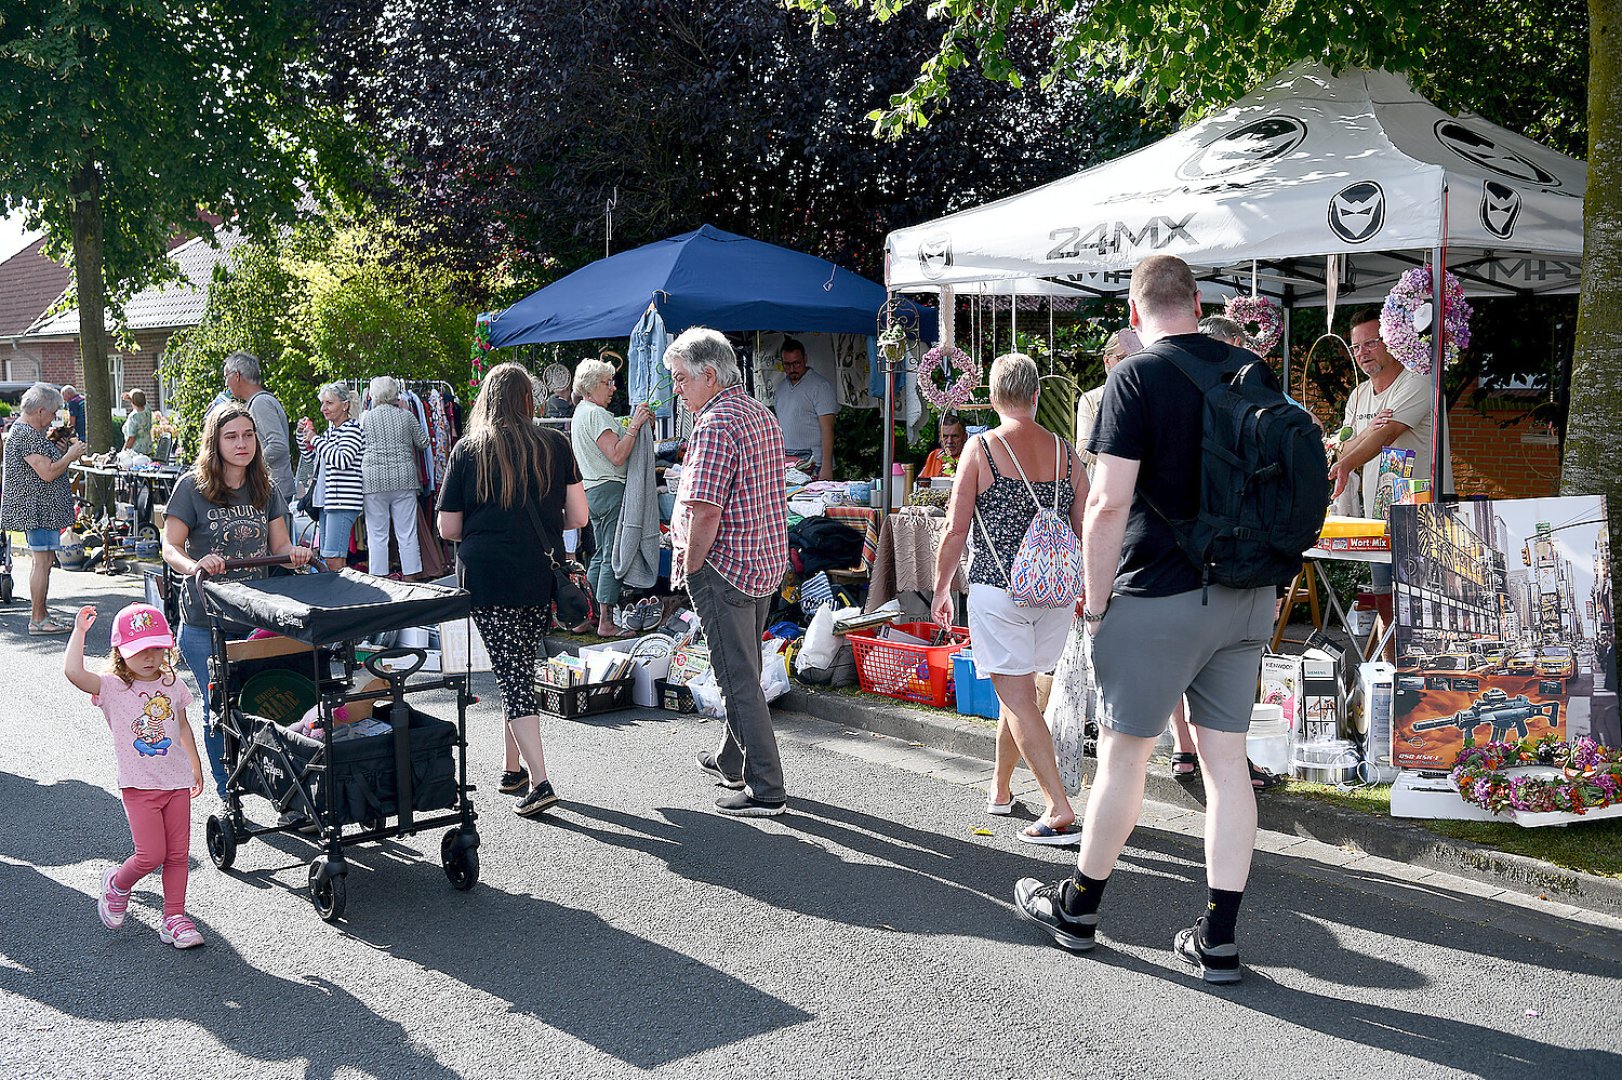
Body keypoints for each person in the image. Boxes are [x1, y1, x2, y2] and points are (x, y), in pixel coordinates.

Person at [1015, 255, 1273, 984]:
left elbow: (1105, 503)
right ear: (1198, 301)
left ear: (1134, 313)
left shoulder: (1135, 377)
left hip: (1161, 591)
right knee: (1226, 765)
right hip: (1247, 594)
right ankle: (1218, 939)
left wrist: (1095, 604)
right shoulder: (1253, 372)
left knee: (1126, 757)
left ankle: (1079, 908)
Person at [932, 352, 1088, 845]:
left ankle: (1058, 807)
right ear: (1037, 396)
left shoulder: (981, 449)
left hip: (1000, 590)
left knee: (1017, 697)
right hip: (1056, 594)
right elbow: (1086, 526)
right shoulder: (1067, 452)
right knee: (1020, 694)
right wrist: (1089, 585)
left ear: (995, 398)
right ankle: (999, 791)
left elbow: (956, 529)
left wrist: (940, 588)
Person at [437, 362, 587, 818]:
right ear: (530, 400)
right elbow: (578, 516)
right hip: (537, 573)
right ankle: (511, 767)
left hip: (487, 576)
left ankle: (539, 781)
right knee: (517, 664)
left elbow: (448, 527)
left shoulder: (469, 449)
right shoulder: (554, 444)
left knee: (511, 673)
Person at [666, 328, 791, 817]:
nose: (677, 387)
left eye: (680, 379)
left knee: (736, 677)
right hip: (761, 560)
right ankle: (731, 759)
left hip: (726, 565)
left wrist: (691, 566)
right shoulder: (759, 414)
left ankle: (765, 788)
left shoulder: (716, 423)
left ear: (710, 375)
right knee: (746, 667)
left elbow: (704, 509)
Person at [163, 403, 314, 797]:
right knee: (219, 707)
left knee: (264, 701)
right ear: (215, 442)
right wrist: (196, 564)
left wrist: (294, 555)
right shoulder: (191, 487)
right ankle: (227, 790)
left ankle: (277, 783)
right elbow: (170, 546)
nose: (242, 443)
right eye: (231, 436)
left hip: (256, 617)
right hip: (204, 621)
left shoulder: (266, 487)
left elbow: (280, 545)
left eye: (248, 435)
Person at [65, 602, 206, 948]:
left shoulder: (172, 684)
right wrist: (79, 633)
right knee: (150, 855)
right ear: (121, 652)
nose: (150, 657)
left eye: (157, 648)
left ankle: (174, 916)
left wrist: (194, 763)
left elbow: (182, 725)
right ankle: (117, 884)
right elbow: (74, 673)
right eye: (140, 650)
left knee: (177, 855)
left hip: (175, 781)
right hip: (138, 785)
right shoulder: (112, 686)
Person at [1330, 308, 1447, 649]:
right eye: (1356, 346)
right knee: (1385, 604)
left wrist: (1347, 462)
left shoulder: (1417, 381)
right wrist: (1354, 447)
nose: (1362, 353)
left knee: (1420, 609)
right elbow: (1346, 444)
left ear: (1392, 342)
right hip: (1377, 519)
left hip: (1419, 517)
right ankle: (1392, 682)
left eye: (1371, 343)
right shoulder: (1358, 395)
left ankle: (1417, 688)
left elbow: (1386, 436)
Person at [570, 358, 654, 636]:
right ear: (591, 387)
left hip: (593, 491)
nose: (613, 388)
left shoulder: (582, 412)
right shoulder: (595, 414)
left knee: (599, 555)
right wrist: (635, 426)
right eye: (608, 383)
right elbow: (617, 455)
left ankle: (587, 615)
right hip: (609, 490)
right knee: (611, 555)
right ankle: (605, 621)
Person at [0, 382, 87, 634]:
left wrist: (59, 451)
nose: (53, 419)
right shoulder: (25, 433)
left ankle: (43, 616)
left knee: (46, 561)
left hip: (42, 509)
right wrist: (70, 455)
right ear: (40, 411)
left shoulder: (32, 433)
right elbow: (47, 472)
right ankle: (37, 619)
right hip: (35, 509)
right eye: (52, 413)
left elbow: (48, 463)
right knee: (42, 562)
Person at [360, 377, 429, 580]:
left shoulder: (365, 418)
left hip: (373, 479)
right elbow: (423, 443)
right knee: (406, 531)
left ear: (373, 395)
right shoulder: (406, 416)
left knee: (377, 534)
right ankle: (410, 578)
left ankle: (379, 579)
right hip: (403, 478)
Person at [298, 384, 366, 572]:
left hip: (342, 502)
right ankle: (338, 596)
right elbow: (312, 458)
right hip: (330, 503)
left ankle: (340, 597)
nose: (323, 408)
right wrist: (302, 435)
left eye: (329, 403)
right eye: (323, 403)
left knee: (334, 556)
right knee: (331, 555)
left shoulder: (352, 430)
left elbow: (342, 460)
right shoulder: (331, 432)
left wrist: (315, 439)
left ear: (345, 405)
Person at [223, 351, 296, 510]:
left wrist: (246, 463)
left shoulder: (260, 403)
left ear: (237, 376)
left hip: (273, 492)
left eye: (226, 376)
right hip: (271, 490)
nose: (226, 384)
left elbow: (278, 446)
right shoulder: (259, 402)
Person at [1075, 328, 1140, 478]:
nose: (1130, 365)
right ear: (1107, 360)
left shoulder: (1147, 395)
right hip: (1104, 481)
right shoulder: (1091, 399)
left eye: (1135, 358)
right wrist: (1122, 458)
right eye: (1123, 358)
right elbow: (1083, 449)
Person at [772, 338, 838, 481]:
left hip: (814, 462)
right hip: (788, 460)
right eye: (787, 364)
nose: (792, 369)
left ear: (805, 359)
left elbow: (828, 428)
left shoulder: (820, 386)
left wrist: (826, 467)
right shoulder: (780, 388)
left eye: (796, 363)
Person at [919, 413, 968, 479]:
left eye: (954, 436)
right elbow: (921, 483)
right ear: (940, 437)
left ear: (965, 437)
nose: (950, 441)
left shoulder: (970, 459)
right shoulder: (934, 455)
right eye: (945, 436)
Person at [122, 389, 154, 456]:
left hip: (136, 453)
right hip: (148, 449)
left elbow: (131, 438)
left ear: (132, 400)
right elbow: (142, 401)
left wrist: (123, 452)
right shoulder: (147, 409)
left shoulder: (133, 416)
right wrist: (131, 397)